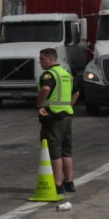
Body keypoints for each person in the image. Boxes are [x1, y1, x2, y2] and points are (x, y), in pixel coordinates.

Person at [36, 47, 76, 194]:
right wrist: (68, 106)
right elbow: (76, 92)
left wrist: (39, 105)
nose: (40, 62)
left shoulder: (49, 75)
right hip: (67, 116)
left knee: (55, 152)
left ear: (50, 59)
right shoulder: (66, 74)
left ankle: (58, 184)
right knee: (67, 151)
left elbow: (45, 89)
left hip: (53, 118)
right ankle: (69, 182)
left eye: (42, 59)